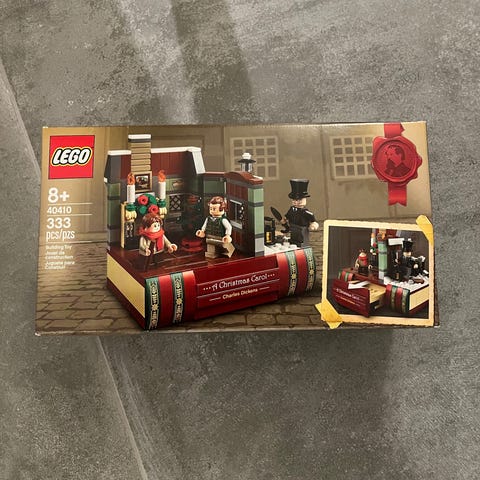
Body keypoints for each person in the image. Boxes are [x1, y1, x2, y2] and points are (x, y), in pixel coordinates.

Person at [282, 179, 319, 247]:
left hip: (302, 228)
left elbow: (312, 218)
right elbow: (288, 215)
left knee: (302, 238)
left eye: (299, 200)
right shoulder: (291, 209)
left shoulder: (305, 212)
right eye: (294, 200)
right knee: (294, 236)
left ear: (305, 199)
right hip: (293, 226)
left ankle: (303, 245)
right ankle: (294, 242)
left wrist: (314, 224)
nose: (296, 202)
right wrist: (285, 218)